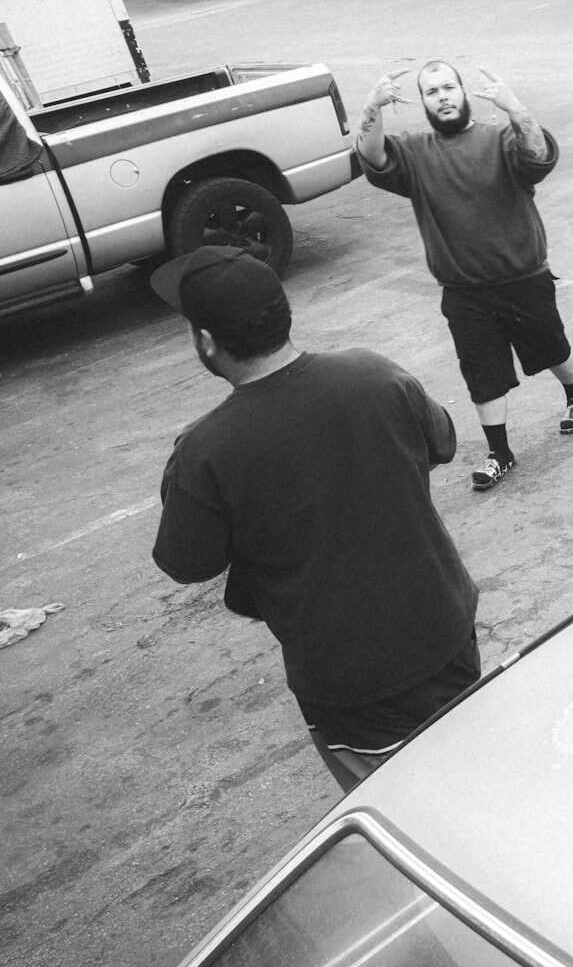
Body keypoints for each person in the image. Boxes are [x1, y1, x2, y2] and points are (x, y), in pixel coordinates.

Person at [149, 245, 481, 792]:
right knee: (476, 765)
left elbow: (188, 563)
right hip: (445, 629)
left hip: (350, 681)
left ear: (206, 341)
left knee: (406, 811)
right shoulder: (374, 374)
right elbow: (442, 440)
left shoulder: (206, 450)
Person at [357, 59, 573, 491]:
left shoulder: (501, 138)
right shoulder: (413, 152)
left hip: (522, 277)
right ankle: (500, 453)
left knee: (551, 349)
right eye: (432, 91)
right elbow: (371, 155)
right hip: (464, 291)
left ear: (464, 93)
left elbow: (539, 157)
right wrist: (374, 105)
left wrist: (516, 109)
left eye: (449, 87)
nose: (442, 96)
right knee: (481, 372)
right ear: (423, 103)